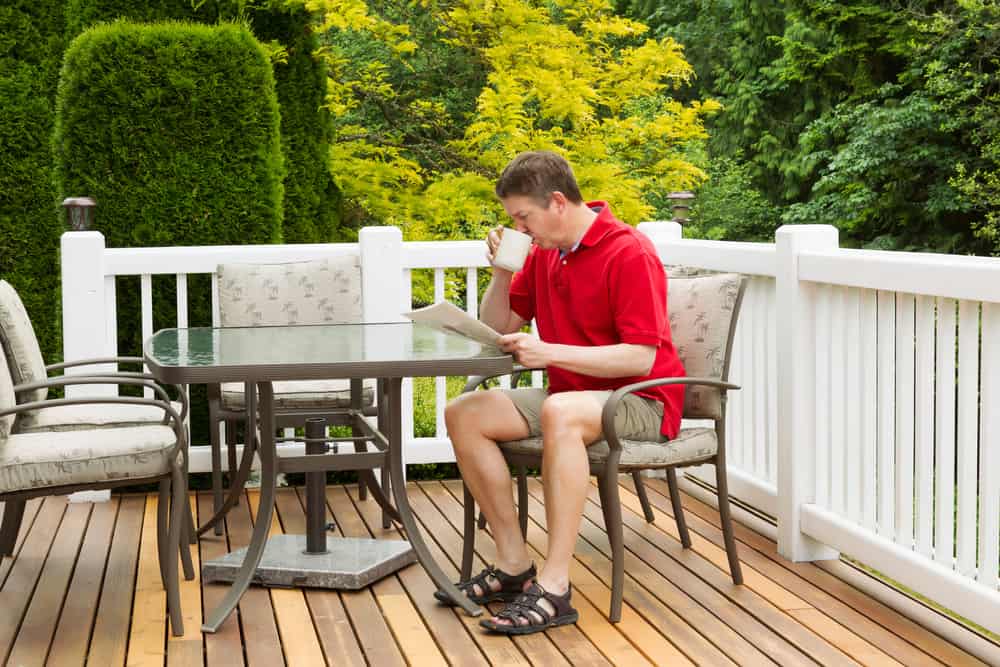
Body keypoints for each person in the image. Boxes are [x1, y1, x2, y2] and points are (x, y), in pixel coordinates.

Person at [436, 150, 687, 635]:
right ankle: (513, 565)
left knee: (561, 413)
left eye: (522, 218)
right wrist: (504, 269)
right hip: (569, 395)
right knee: (465, 412)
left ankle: (555, 586)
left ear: (555, 202)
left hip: (642, 399)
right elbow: (497, 326)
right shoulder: (545, 254)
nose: (519, 228)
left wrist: (548, 353)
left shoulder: (629, 251)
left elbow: (640, 358)